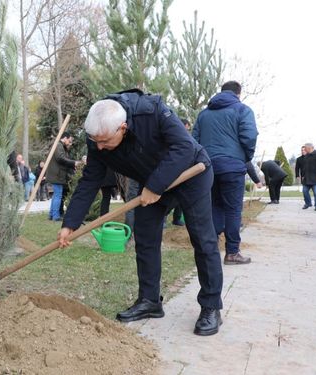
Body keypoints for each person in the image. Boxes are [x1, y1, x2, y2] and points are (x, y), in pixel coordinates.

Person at [58, 90, 223, 336]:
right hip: (150, 182)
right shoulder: (98, 138)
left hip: (191, 173)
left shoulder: (152, 110)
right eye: (95, 142)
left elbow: (184, 147)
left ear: (123, 128)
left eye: (104, 141)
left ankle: (211, 307)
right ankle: (150, 301)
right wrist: (70, 223)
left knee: (202, 238)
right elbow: (89, 180)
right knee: (145, 239)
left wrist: (155, 186)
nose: (99, 148)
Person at [192, 81, 258, 265]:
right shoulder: (242, 110)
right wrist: (245, 156)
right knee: (233, 209)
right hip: (232, 166)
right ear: (238, 93)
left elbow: (193, 141)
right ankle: (232, 253)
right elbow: (250, 136)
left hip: (207, 168)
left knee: (214, 207)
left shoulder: (204, 114)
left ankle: (209, 252)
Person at [47, 132, 80, 221]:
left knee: (56, 195)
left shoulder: (60, 146)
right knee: (58, 195)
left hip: (57, 174)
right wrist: (74, 163)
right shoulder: (58, 145)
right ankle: (56, 216)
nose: (69, 143)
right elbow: (60, 158)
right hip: (57, 174)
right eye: (69, 140)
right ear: (65, 138)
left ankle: (51, 214)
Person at [299, 143, 316, 211]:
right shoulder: (306, 156)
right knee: (304, 191)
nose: (304, 150)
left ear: (309, 148)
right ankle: (308, 203)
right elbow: (304, 167)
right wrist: (302, 176)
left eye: (305, 148)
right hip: (307, 178)